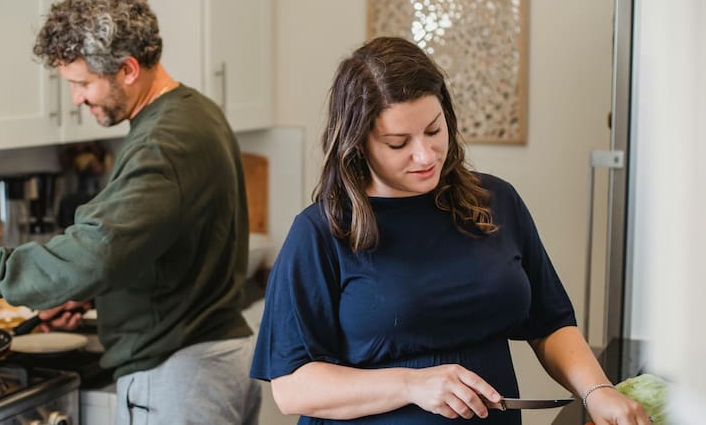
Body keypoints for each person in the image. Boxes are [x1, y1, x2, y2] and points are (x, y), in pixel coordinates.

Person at [249, 36, 650, 424]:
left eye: (433, 130)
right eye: (398, 143)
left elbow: (551, 324)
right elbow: (292, 388)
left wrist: (598, 391)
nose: (425, 155)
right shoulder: (321, 232)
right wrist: (411, 385)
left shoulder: (495, 201)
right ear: (358, 144)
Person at [0, 0, 260, 424]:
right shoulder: (194, 113)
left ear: (127, 69)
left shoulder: (163, 142)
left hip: (180, 375)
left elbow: (98, 250)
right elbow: (155, 246)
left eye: (82, 83)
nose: (76, 99)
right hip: (210, 365)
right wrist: (88, 298)